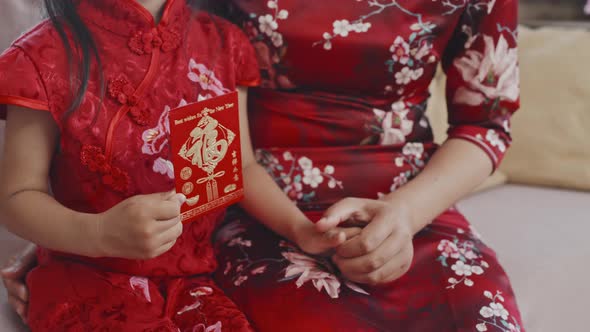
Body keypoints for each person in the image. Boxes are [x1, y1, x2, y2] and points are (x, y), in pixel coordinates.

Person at [3, 0, 525, 331]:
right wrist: (80, 235)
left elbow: (486, 122)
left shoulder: (217, 45)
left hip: (397, 205)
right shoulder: (46, 55)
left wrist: (400, 215)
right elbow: (25, 188)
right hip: (235, 229)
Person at [0, 0, 358, 330]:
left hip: (195, 278)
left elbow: (241, 168)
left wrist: (300, 229)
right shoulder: (43, 57)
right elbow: (15, 195)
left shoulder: (223, 43)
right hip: (82, 272)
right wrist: (98, 233)